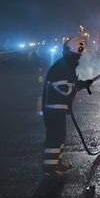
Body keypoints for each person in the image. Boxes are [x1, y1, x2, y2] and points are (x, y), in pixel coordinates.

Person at [42, 37, 93, 178]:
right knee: (54, 138)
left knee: (59, 136)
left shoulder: (65, 65)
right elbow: (64, 87)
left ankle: (56, 163)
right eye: (79, 54)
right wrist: (76, 88)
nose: (80, 57)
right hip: (54, 108)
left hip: (57, 108)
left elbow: (71, 83)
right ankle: (50, 168)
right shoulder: (63, 66)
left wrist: (83, 84)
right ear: (74, 52)